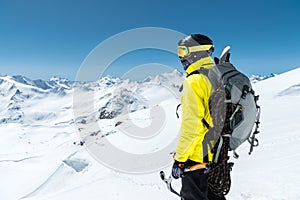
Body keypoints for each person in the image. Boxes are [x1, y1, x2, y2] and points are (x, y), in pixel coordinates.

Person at [172, 34, 226, 200]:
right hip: (215, 152)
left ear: (196, 52)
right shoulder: (216, 76)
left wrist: (180, 159)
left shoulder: (194, 81)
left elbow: (192, 125)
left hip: (196, 158)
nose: (181, 57)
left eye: (183, 51)